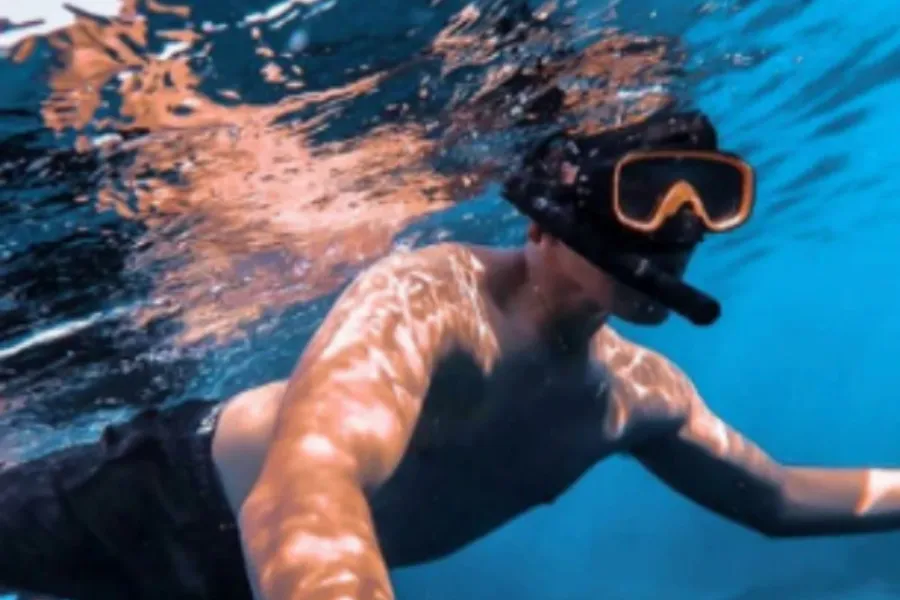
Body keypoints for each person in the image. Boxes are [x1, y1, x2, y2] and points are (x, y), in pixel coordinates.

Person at [3, 110, 900, 600]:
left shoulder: (638, 395)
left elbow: (777, 498)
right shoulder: (429, 297)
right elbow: (306, 487)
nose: (680, 229)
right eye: (648, 196)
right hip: (156, 500)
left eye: (706, 201)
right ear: (545, 223)